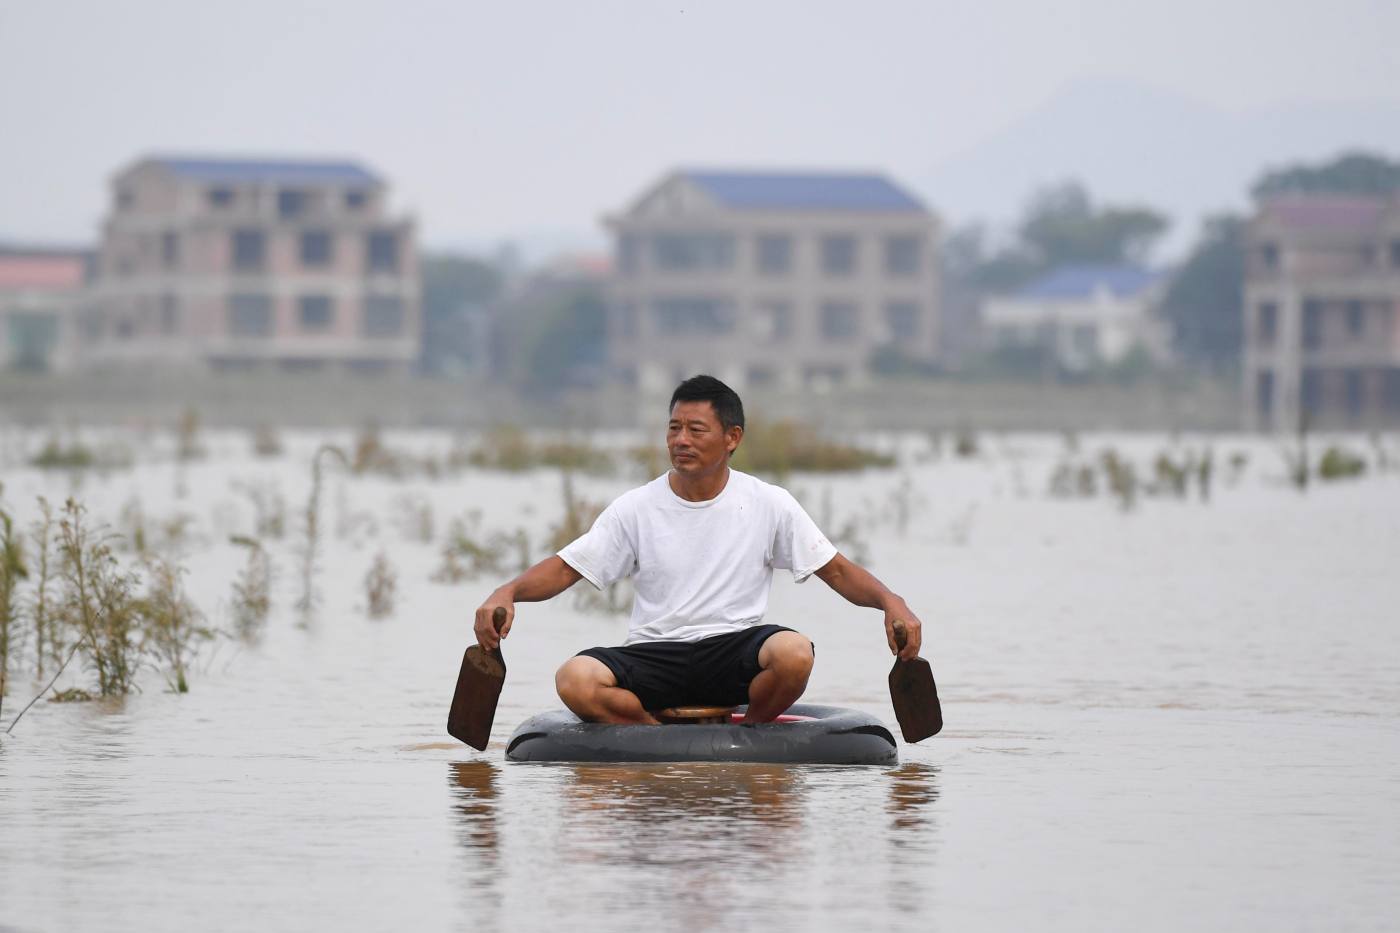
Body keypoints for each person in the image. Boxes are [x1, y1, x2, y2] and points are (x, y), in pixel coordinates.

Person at [472, 374, 924, 724]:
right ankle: (648, 732)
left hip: (732, 650)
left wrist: (891, 602)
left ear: (732, 438)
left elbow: (839, 572)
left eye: (695, 429)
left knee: (794, 654)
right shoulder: (636, 507)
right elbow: (566, 569)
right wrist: (506, 592)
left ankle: (750, 734)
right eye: (674, 428)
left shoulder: (768, 503)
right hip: (654, 653)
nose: (680, 440)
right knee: (573, 680)